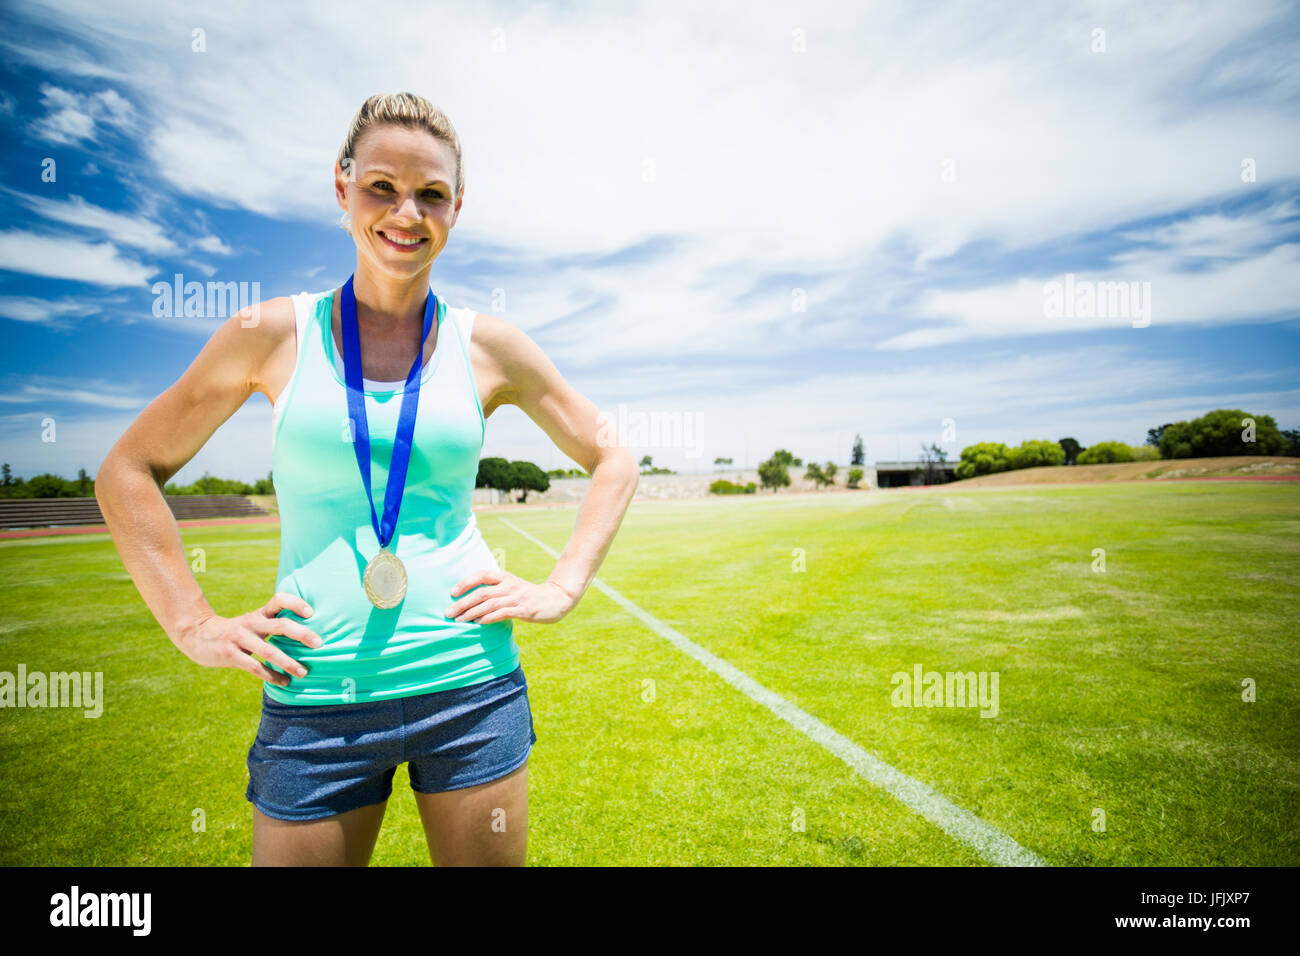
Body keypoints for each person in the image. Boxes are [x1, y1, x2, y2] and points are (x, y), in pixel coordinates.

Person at [95, 92, 640, 866]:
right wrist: (192, 623)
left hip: (471, 691)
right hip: (315, 703)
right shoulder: (271, 333)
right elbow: (127, 469)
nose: (406, 212)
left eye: (432, 194)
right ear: (343, 187)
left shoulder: (491, 347)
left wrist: (562, 585)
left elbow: (614, 454)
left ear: (456, 209)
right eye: (382, 185)